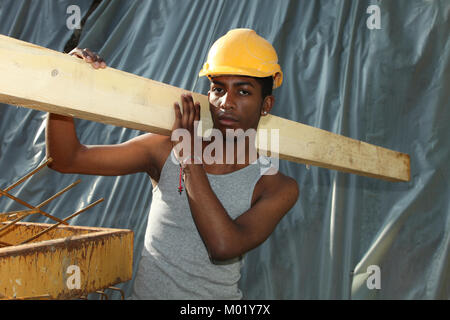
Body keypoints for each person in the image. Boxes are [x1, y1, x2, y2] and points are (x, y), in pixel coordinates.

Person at [47, 28, 299, 299]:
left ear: (266, 104)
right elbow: (66, 159)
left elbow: (224, 245)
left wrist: (189, 155)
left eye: (244, 91)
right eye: (218, 89)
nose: (226, 102)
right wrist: (65, 84)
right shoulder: (164, 149)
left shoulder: (275, 185)